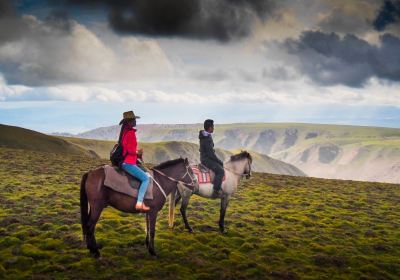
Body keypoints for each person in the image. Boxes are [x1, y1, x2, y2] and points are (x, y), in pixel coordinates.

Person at [119, 110, 150, 211]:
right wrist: (138, 152)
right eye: (133, 120)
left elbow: (126, 148)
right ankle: (139, 203)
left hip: (125, 161)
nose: (135, 122)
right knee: (146, 179)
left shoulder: (125, 133)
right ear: (129, 122)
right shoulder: (131, 133)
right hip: (129, 162)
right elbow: (130, 150)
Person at [199, 119, 225, 197]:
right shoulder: (206, 138)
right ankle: (216, 190)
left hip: (206, 158)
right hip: (206, 159)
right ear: (210, 128)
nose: (214, 128)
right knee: (221, 171)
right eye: (213, 126)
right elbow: (211, 154)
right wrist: (220, 162)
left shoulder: (206, 135)